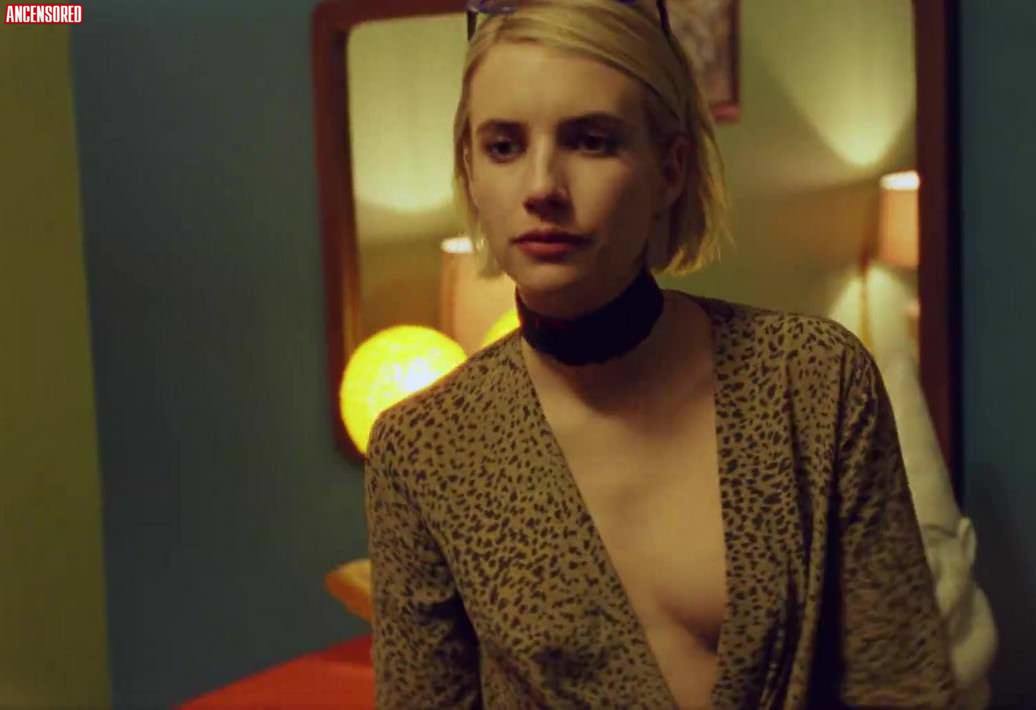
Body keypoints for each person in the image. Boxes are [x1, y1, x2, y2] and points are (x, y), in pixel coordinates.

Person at [364, 0, 959, 707]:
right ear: (469, 170)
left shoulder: (812, 379)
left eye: (591, 140)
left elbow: (902, 683)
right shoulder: (425, 448)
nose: (542, 187)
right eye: (503, 146)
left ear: (670, 169)